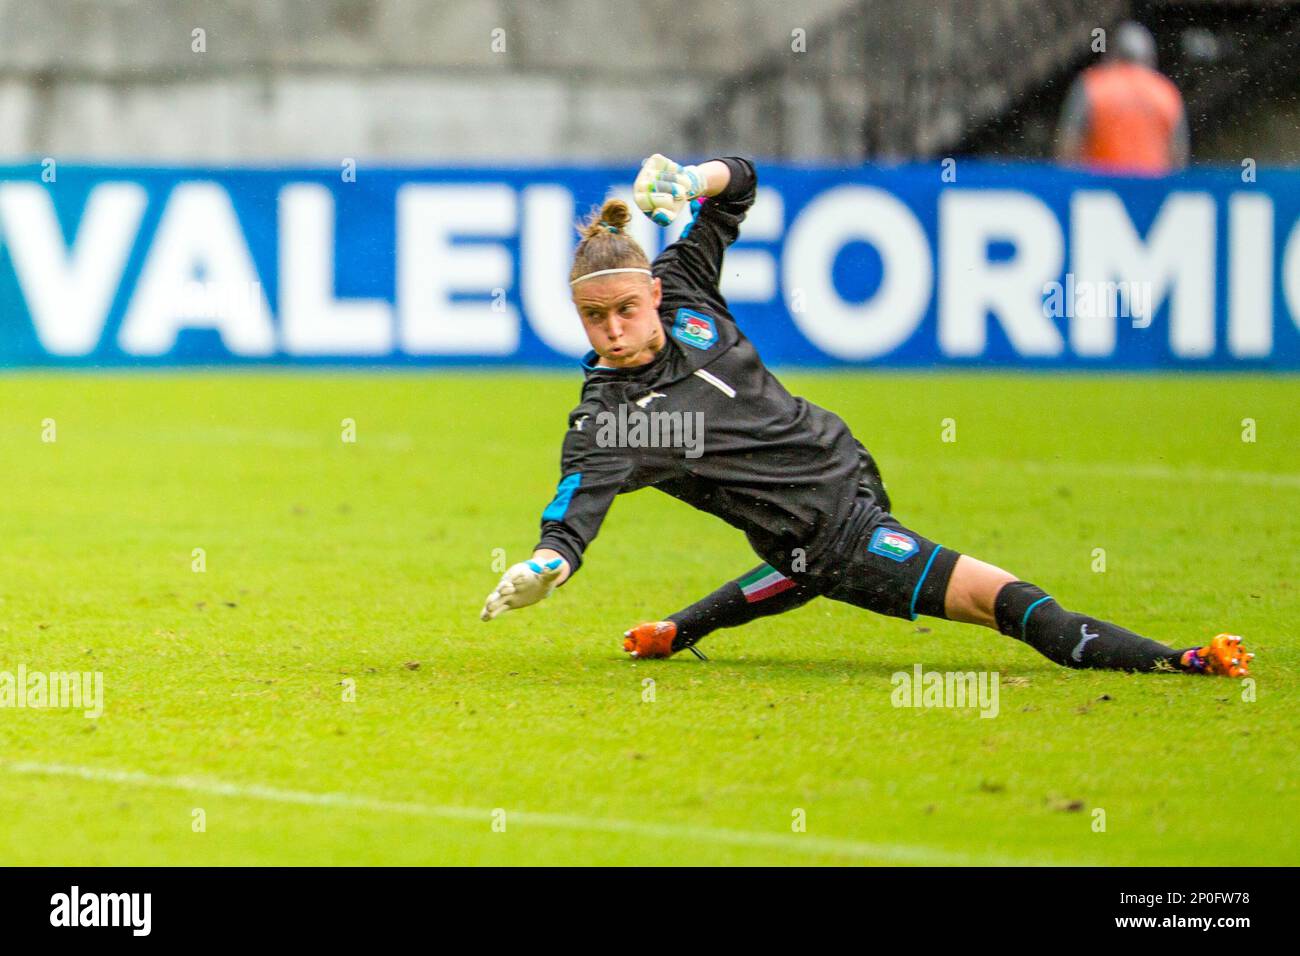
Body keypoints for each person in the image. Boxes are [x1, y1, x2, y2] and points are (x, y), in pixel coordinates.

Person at [480, 153, 1250, 679]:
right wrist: (549, 565)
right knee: (996, 599)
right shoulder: (611, 418)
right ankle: (1181, 660)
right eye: (592, 320)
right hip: (833, 534)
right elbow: (573, 511)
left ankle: (680, 630)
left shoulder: (684, 289)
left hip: (845, 476)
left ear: (651, 293)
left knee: (799, 565)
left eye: (623, 310)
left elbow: (739, 186)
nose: (612, 332)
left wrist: (692, 175)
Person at [1056, 21, 1189, 174]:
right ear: (1149, 57)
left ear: (1113, 54)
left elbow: (1068, 145)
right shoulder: (1166, 92)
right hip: (1151, 188)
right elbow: (1178, 154)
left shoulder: (1093, 85)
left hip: (1101, 187)